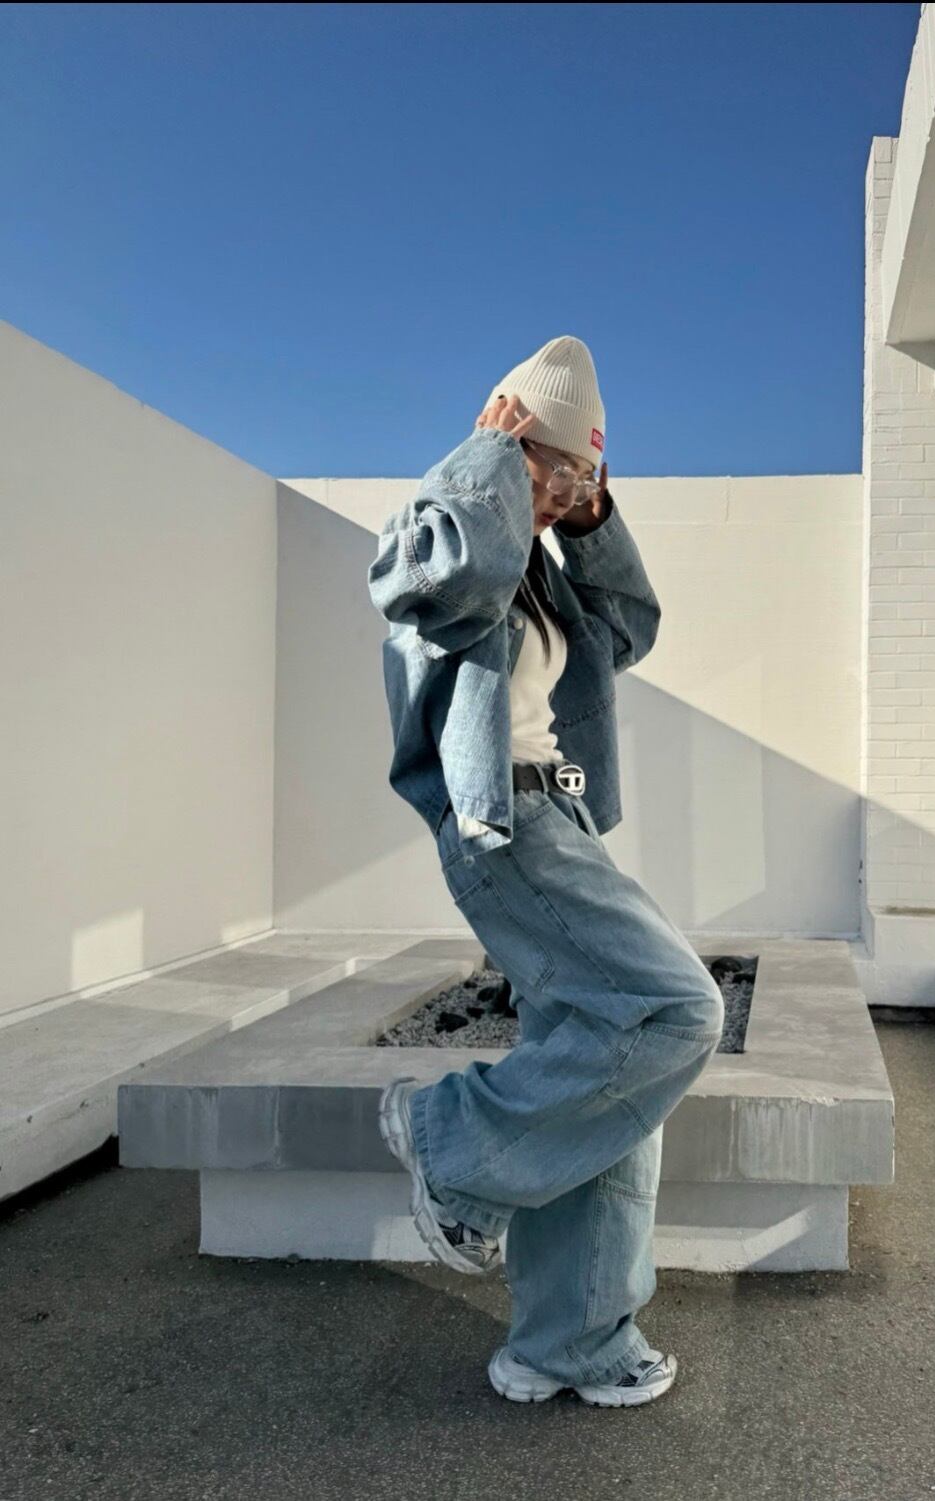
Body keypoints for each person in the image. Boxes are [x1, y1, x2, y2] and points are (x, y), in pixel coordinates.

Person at [366, 335, 724, 1407]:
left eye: (573, 481)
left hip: (557, 815)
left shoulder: (536, 570)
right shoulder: (435, 531)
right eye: (550, 472)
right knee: (674, 1010)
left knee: (610, 1072)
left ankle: (568, 1341)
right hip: (501, 824)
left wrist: (593, 520)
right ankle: (446, 1138)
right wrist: (491, 462)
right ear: (504, 443)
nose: (555, 496)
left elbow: (628, 629)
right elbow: (450, 578)